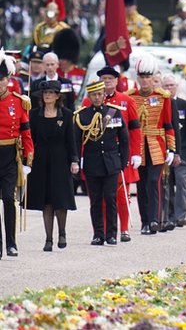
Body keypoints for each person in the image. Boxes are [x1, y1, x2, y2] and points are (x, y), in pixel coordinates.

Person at [81, 67, 142, 243]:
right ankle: (99, 232)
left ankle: (122, 229)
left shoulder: (125, 101)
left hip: (114, 156)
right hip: (94, 158)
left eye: (110, 78)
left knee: (119, 196)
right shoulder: (87, 103)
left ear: (116, 81)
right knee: (96, 199)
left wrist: (134, 154)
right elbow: (83, 134)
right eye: (103, 78)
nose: (107, 81)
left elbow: (133, 130)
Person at [75, 80, 128, 245]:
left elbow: (124, 139)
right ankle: (98, 233)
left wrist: (123, 161)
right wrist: (76, 160)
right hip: (92, 163)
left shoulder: (114, 113)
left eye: (99, 94)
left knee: (111, 198)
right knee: (95, 200)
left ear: (104, 95)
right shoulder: (82, 115)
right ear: (89, 96)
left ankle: (112, 234)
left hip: (111, 162)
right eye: (93, 95)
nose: (97, 98)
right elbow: (76, 142)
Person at [27, 80, 79, 251]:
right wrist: (28, 158)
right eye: (45, 93)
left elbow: (71, 140)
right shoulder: (34, 114)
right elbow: (30, 138)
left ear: (57, 96)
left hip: (60, 160)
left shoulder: (66, 114)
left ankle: (62, 232)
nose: (47, 95)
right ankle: (48, 238)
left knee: (60, 199)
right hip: (41, 160)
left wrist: (74, 160)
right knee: (46, 199)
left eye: (51, 93)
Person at [127, 57, 175, 235]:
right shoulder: (131, 96)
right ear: (138, 78)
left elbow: (169, 124)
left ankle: (155, 219)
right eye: (142, 76)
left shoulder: (163, 97)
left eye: (148, 77)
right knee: (141, 186)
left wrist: (171, 148)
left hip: (157, 146)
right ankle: (145, 221)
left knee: (154, 181)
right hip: (138, 148)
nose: (145, 80)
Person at [0, 57, 34, 257]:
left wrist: (28, 159)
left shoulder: (18, 102)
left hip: (10, 157)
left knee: (8, 198)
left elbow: (26, 133)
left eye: (2, 79)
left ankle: (11, 243)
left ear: (8, 80)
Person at [162, 73, 186, 230]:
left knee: (181, 182)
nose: (169, 88)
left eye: (171, 85)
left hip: (182, 150)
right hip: (165, 151)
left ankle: (180, 216)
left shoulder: (185, 105)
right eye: (166, 86)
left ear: (176, 87)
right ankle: (168, 214)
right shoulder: (160, 104)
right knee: (166, 184)